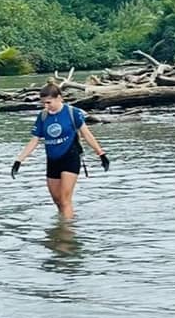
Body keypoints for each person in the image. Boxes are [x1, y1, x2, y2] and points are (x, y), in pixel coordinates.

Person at [11, 82, 109, 218]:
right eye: (43, 103)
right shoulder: (43, 117)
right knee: (57, 201)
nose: (46, 106)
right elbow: (34, 140)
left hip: (70, 157)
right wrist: (19, 160)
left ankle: (67, 233)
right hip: (52, 161)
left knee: (65, 200)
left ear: (59, 98)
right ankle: (63, 225)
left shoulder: (72, 113)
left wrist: (101, 154)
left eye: (49, 102)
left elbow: (86, 134)